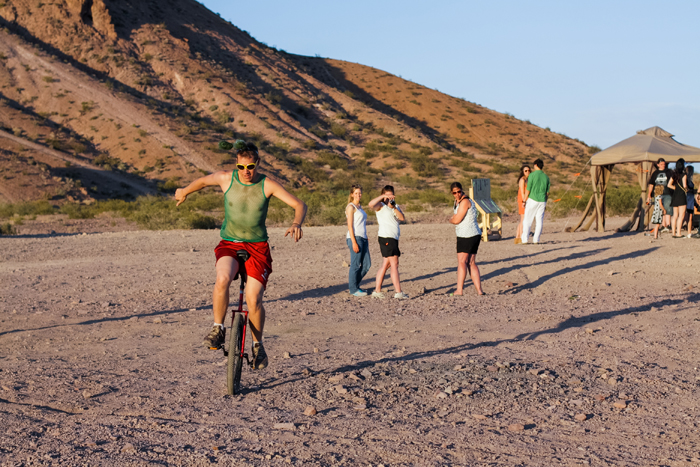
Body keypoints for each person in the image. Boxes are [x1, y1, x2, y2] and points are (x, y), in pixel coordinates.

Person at [174, 140, 307, 370]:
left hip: (258, 247)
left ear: (258, 164)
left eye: (251, 167)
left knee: (253, 299)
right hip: (230, 243)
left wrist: (296, 222)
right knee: (223, 278)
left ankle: (258, 345)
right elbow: (204, 181)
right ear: (236, 166)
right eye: (242, 168)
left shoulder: (267, 185)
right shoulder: (227, 179)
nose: (246, 172)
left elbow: (299, 204)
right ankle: (218, 327)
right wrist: (184, 191)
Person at [368, 185, 408, 299]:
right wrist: (383, 197)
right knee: (395, 264)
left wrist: (394, 206)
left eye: (391, 195)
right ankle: (398, 292)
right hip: (387, 238)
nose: (389, 198)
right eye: (387, 195)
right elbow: (370, 204)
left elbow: (402, 218)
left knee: (386, 264)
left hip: (393, 238)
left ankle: (377, 290)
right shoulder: (380, 206)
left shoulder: (395, 206)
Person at [449, 182, 484, 296]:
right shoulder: (458, 201)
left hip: (467, 235)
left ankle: (459, 290)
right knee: (471, 262)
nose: (457, 194)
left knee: (462, 262)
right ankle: (479, 291)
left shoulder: (465, 201)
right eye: (455, 192)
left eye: (459, 191)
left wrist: (452, 219)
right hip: (473, 234)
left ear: (462, 190)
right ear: (452, 193)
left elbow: (457, 219)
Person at [346, 184, 371, 297]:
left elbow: (361, 224)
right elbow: (350, 226)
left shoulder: (360, 207)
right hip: (355, 238)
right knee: (355, 265)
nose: (358, 195)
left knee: (367, 265)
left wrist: (365, 236)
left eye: (360, 193)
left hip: (363, 238)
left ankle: (355, 284)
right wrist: (354, 241)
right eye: (356, 193)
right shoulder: (351, 207)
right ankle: (353, 289)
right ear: (352, 194)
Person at [520, 159, 550, 244]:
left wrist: (524, 200)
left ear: (536, 165)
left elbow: (528, 189)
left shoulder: (532, 175)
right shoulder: (546, 177)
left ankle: (525, 239)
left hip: (532, 199)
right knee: (539, 221)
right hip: (542, 200)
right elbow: (547, 192)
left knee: (527, 220)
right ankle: (536, 239)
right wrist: (545, 201)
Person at [646, 158, 673, 233]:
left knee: (668, 209)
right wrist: (649, 194)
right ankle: (663, 225)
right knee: (661, 209)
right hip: (658, 194)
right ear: (658, 165)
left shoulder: (669, 172)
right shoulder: (655, 173)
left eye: (664, 164)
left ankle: (668, 225)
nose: (663, 165)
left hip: (668, 193)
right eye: (661, 164)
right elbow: (651, 184)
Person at [667, 158, 687, 238]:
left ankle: (673, 233)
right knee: (681, 215)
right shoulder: (684, 175)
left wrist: (675, 188)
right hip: (681, 196)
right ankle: (679, 233)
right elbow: (685, 186)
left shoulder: (674, 175)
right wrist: (688, 189)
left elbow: (669, 185)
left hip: (675, 196)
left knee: (675, 215)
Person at [514, 165, 531, 244]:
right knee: (523, 219)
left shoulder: (528, 179)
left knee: (523, 219)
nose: (528, 172)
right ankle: (520, 236)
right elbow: (522, 191)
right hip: (522, 200)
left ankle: (518, 237)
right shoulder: (522, 180)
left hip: (526, 200)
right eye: (526, 171)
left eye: (528, 170)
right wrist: (524, 201)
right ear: (523, 172)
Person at [684, 165, 695, 238]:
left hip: (689, 198)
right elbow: (686, 188)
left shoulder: (688, 179)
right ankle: (688, 231)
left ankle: (689, 231)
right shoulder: (687, 180)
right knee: (688, 216)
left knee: (687, 216)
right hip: (689, 197)